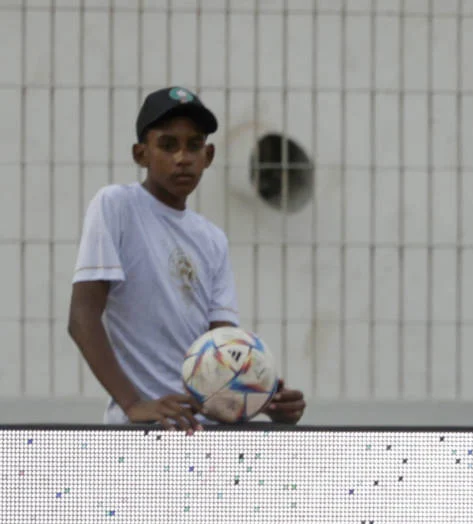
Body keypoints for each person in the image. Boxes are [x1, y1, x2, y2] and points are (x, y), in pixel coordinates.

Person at [68, 86, 305, 432]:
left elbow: (223, 350)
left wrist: (261, 397)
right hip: (141, 431)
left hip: (204, 431)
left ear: (207, 156)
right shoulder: (116, 206)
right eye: (167, 145)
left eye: (194, 146)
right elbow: (81, 318)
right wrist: (134, 404)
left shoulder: (212, 239)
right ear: (141, 154)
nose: (183, 157)